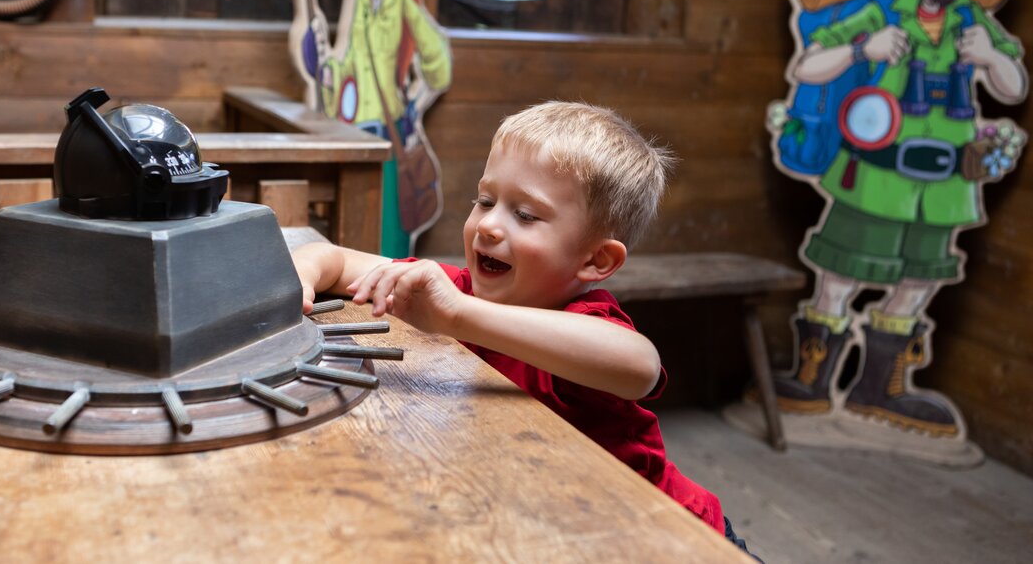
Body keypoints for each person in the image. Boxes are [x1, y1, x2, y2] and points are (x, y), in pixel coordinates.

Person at [293, 102, 753, 552]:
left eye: (526, 215)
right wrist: (304, 272)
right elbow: (336, 259)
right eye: (485, 200)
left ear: (597, 260)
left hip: (671, 536)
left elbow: (639, 367)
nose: (488, 225)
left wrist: (458, 316)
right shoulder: (465, 291)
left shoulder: (582, 320)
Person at [774, 0, 1028, 436]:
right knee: (840, 271)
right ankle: (812, 381)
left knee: (921, 279)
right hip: (873, 178)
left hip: (944, 187)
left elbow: (1013, 85)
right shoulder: (880, 12)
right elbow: (809, 65)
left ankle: (879, 389)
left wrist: (988, 57)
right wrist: (864, 49)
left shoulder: (976, 23)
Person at [311, 0, 452, 258]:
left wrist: (414, 106)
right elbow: (347, 67)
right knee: (353, 242)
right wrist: (327, 69)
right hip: (353, 136)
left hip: (389, 140)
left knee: (388, 246)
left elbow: (437, 61)